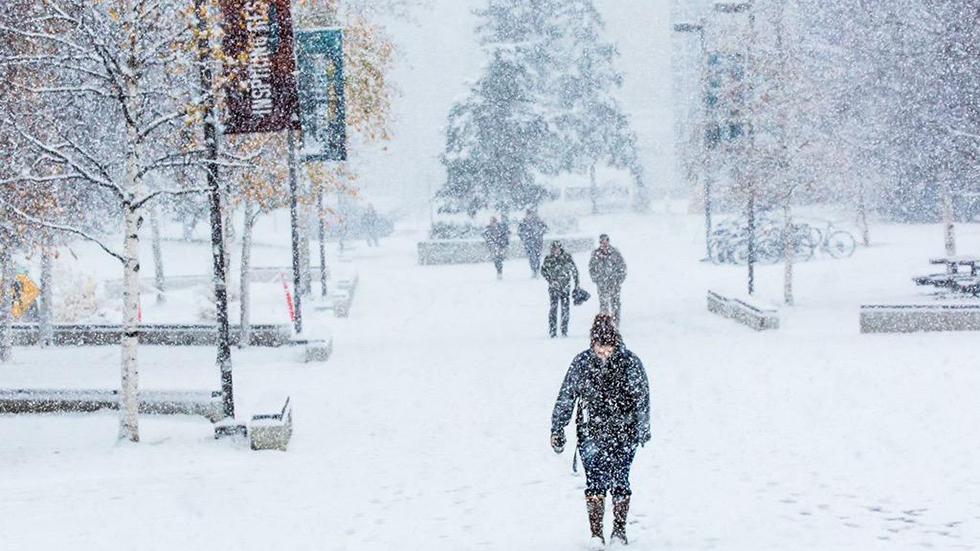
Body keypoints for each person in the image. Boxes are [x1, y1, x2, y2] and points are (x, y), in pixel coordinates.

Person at [551, 315, 650, 547]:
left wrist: (642, 428)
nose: (604, 355)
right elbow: (567, 396)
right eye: (599, 350)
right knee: (594, 481)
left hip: (624, 432)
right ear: (592, 345)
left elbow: (641, 397)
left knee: (620, 479)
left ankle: (619, 530)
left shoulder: (630, 363)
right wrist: (558, 427)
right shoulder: (582, 363)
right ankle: (596, 533)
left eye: (608, 350)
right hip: (591, 432)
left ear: (616, 344)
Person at [541, 241, 579, 338]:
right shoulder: (549, 259)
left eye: (557, 248)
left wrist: (576, 284)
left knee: (565, 309)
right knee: (553, 309)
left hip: (565, 287)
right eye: (554, 248)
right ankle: (553, 330)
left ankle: (564, 329)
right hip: (554, 288)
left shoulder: (567, 258)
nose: (556, 251)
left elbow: (574, 271)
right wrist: (550, 280)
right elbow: (543, 270)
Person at [589, 234, 627, 326]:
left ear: (608, 241)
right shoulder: (596, 254)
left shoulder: (615, 253)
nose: (604, 244)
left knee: (615, 303)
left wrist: (619, 279)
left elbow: (622, 267)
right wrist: (596, 279)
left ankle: (615, 322)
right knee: (603, 304)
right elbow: (592, 268)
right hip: (602, 284)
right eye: (602, 242)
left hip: (614, 283)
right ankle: (605, 323)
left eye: (605, 241)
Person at [518, 209, 548, 278]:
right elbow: (519, 232)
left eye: (530, 214)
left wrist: (539, 234)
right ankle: (534, 270)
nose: (528, 216)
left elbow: (545, 228)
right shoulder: (523, 222)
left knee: (537, 256)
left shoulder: (538, 221)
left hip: (537, 242)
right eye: (527, 214)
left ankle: (536, 270)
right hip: (528, 243)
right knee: (531, 257)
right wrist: (524, 237)